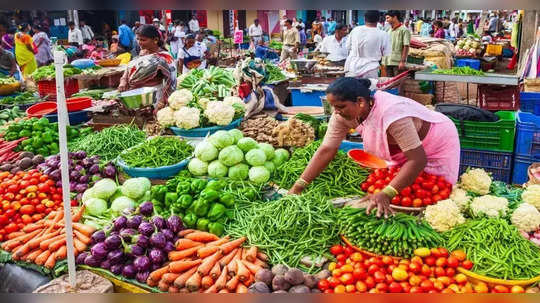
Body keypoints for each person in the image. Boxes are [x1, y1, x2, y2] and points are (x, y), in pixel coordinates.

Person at [288, 78, 460, 217]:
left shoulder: (391, 113)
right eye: (333, 106)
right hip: (403, 148)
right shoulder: (342, 115)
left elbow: (417, 160)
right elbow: (327, 149)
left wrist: (387, 193)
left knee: (434, 192)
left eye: (340, 106)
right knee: (405, 188)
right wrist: (299, 185)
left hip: (436, 141)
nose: (336, 111)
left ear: (361, 102)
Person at [118, 25, 176, 112]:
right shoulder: (142, 52)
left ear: (155, 40)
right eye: (138, 39)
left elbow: (171, 82)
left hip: (152, 99)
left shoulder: (164, 57)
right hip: (134, 97)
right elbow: (130, 66)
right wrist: (123, 81)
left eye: (143, 40)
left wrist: (163, 102)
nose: (139, 42)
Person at [345, 10, 391, 78]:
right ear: (378, 19)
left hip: (352, 68)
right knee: (369, 88)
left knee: (351, 88)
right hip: (370, 70)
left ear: (364, 18)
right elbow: (386, 53)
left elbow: (348, 47)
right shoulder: (383, 34)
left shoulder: (355, 30)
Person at [382, 11, 410, 77]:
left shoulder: (404, 30)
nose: (386, 20)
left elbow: (406, 46)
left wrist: (402, 61)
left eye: (388, 18)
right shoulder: (388, 30)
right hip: (388, 61)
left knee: (397, 82)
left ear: (394, 17)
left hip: (397, 62)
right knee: (389, 82)